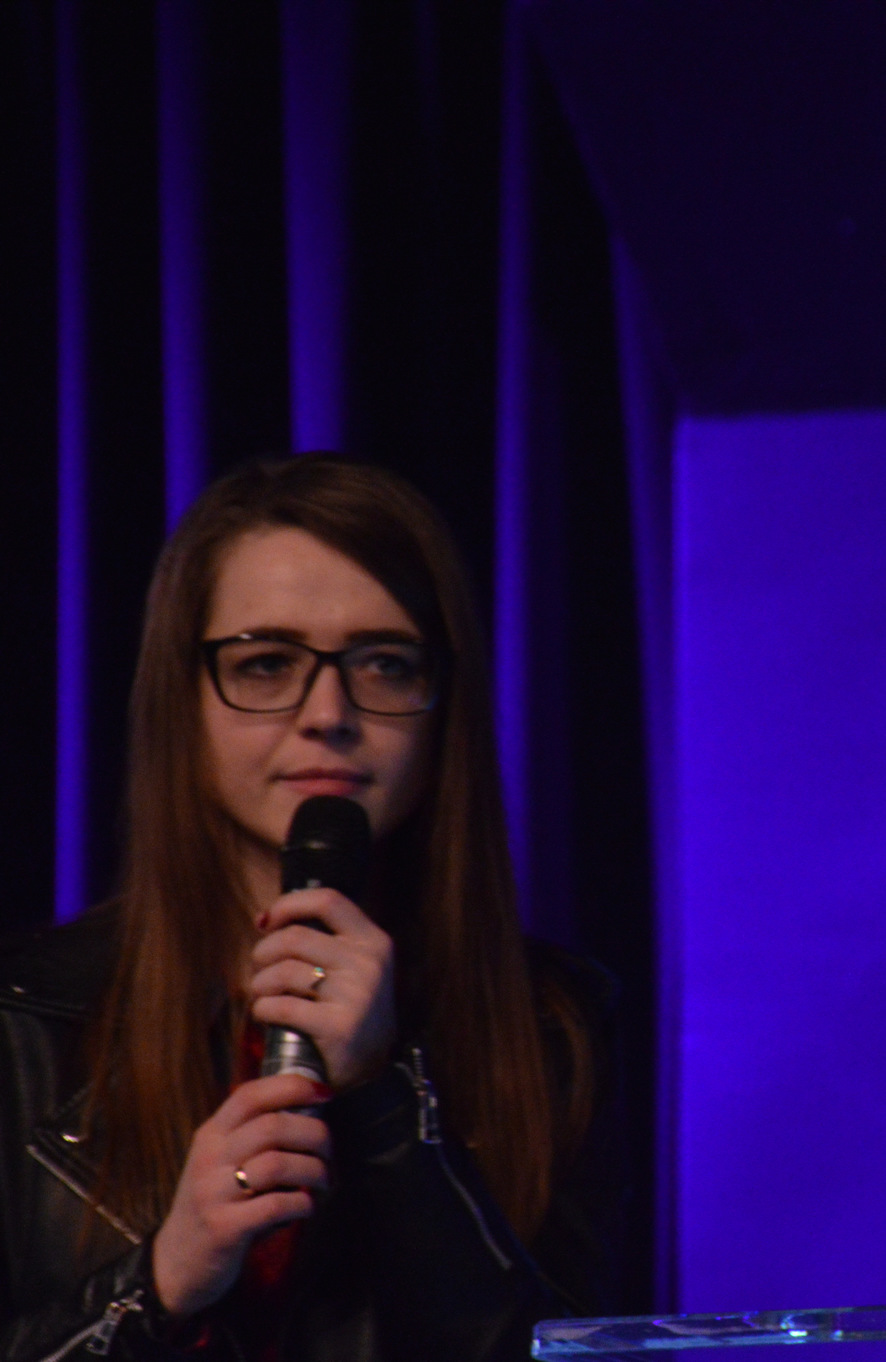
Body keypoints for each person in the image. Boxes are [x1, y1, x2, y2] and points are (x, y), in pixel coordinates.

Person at [0, 456, 615, 1360]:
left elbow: (559, 1345)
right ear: (184, 699)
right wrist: (159, 1282)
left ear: (444, 707)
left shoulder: (555, 1022)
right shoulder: (23, 1017)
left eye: (386, 665)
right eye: (266, 664)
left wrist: (383, 1096)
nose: (328, 712)